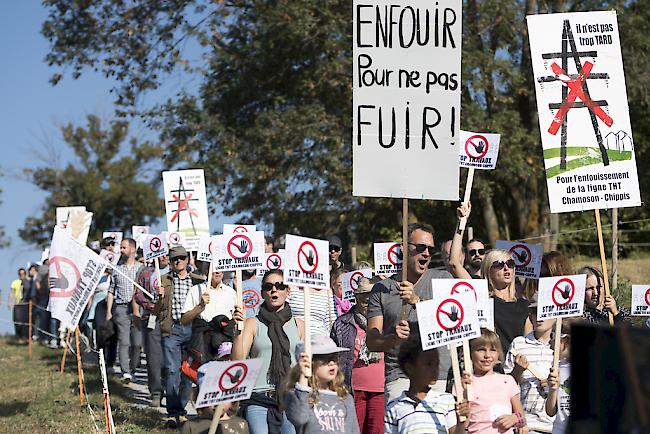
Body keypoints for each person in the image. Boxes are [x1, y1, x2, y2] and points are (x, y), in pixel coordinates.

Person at [367, 222, 453, 402]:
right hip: (400, 377)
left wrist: (417, 302)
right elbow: (372, 342)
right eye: (421, 247)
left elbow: (452, 321)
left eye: (431, 249)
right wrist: (393, 338)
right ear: (403, 249)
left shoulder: (443, 279)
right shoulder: (381, 289)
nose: (427, 253)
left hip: (437, 376)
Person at [232, 269, 304, 434]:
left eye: (279, 285)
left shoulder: (299, 325)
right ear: (263, 293)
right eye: (268, 286)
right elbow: (237, 362)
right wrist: (237, 333)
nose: (274, 290)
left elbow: (304, 367)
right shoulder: (251, 323)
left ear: (288, 291)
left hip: (290, 397)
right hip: (258, 397)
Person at [154, 245, 204, 428]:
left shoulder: (197, 281)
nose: (178, 261)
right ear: (170, 261)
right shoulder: (163, 281)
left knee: (188, 372)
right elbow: (156, 310)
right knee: (172, 370)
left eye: (182, 258)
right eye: (175, 258)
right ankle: (173, 411)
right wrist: (158, 297)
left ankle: (181, 410)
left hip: (193, 331)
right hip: (173, 330)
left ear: (187, 259)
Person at [385, 332, 469, 434]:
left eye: (436, 364)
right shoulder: (394, 407)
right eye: (428, 364)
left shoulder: (446, 400)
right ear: (409, 367)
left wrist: (461, 422)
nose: (434, 369)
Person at [330, 277, 384, 434]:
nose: (367, 299)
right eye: (363, 295)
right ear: (356, 298)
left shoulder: (387, 322)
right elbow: (333, 357)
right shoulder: (342, 323)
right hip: (351, 390)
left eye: (371, 295)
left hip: (380, 389)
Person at [282, 334, 359, 434]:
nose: (331, 363)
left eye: (334, 358)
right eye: (324, 358)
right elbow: (299, 418)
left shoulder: (345, 397)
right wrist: (303, 377)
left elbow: (353, 430)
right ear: (310, 363)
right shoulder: (298, 395)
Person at [459, 328, 527, 433]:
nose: (487, 355)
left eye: (493, 350)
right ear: (470, 353)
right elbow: (463, 425)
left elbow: (522, 417)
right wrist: (465, 394)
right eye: (481, 349)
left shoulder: (508, 381)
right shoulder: (465, 383)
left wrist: (514, 418)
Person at [504, 300, 554, 433]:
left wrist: (554, 386)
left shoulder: (564, 347)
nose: (539, 316)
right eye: (534, 312)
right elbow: (506, 388)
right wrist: (517, 370)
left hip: (557, 426)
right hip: (528, 426)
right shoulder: (519, 344)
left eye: (545, 310)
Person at [106, 237, 143, 383]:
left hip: (138, 308)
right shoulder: (117, 269)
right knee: (124, 341)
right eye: (120, 247)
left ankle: (133, 368)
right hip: (121, 308)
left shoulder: (141, 268)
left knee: (137, 343)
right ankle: (126, 372)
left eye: (124, 247)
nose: (121, 250)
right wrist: (109, 311)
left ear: (133, 249)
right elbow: (111, 291)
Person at [134, 259, 165, 407]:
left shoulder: (176, 273)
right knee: (153, 357)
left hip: (172, 320)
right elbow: (138, 294)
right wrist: (151, 305)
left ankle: (172, 391)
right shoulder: (146, 272)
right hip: (152, 318)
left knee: (171, 359)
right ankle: (156, 392)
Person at [545, 320, 575, 434]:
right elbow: (550, 411)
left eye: (552, 337)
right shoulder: (556, 368)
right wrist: (553, 389)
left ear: (565, 340)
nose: (550, 344)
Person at [9, 268, 27, 340]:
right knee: (17, 320)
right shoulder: (15, 282)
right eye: (20, 274)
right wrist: (10, 302)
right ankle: (18, 336)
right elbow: (11, 293)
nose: (22, 276)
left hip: (26, 304)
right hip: (17, 304)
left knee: (25, 322)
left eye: (23, 274)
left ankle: (24, 336)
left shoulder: (27, 282)